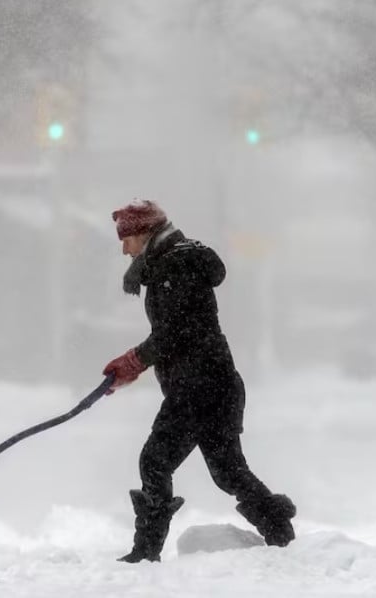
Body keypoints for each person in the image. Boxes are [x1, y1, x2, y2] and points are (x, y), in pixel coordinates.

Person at [101, 199, 297, 563]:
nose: (123, 247)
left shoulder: (177, 265)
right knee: (228, 472)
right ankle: (281, 534)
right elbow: (176, 331)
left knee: (156, 461)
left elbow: (177, 330)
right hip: (212, 383)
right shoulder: (169, 263)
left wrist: (134, 361)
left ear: (145, 234)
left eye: (127, 238)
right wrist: (136, 364)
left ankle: (145, 553)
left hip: (199, 387)